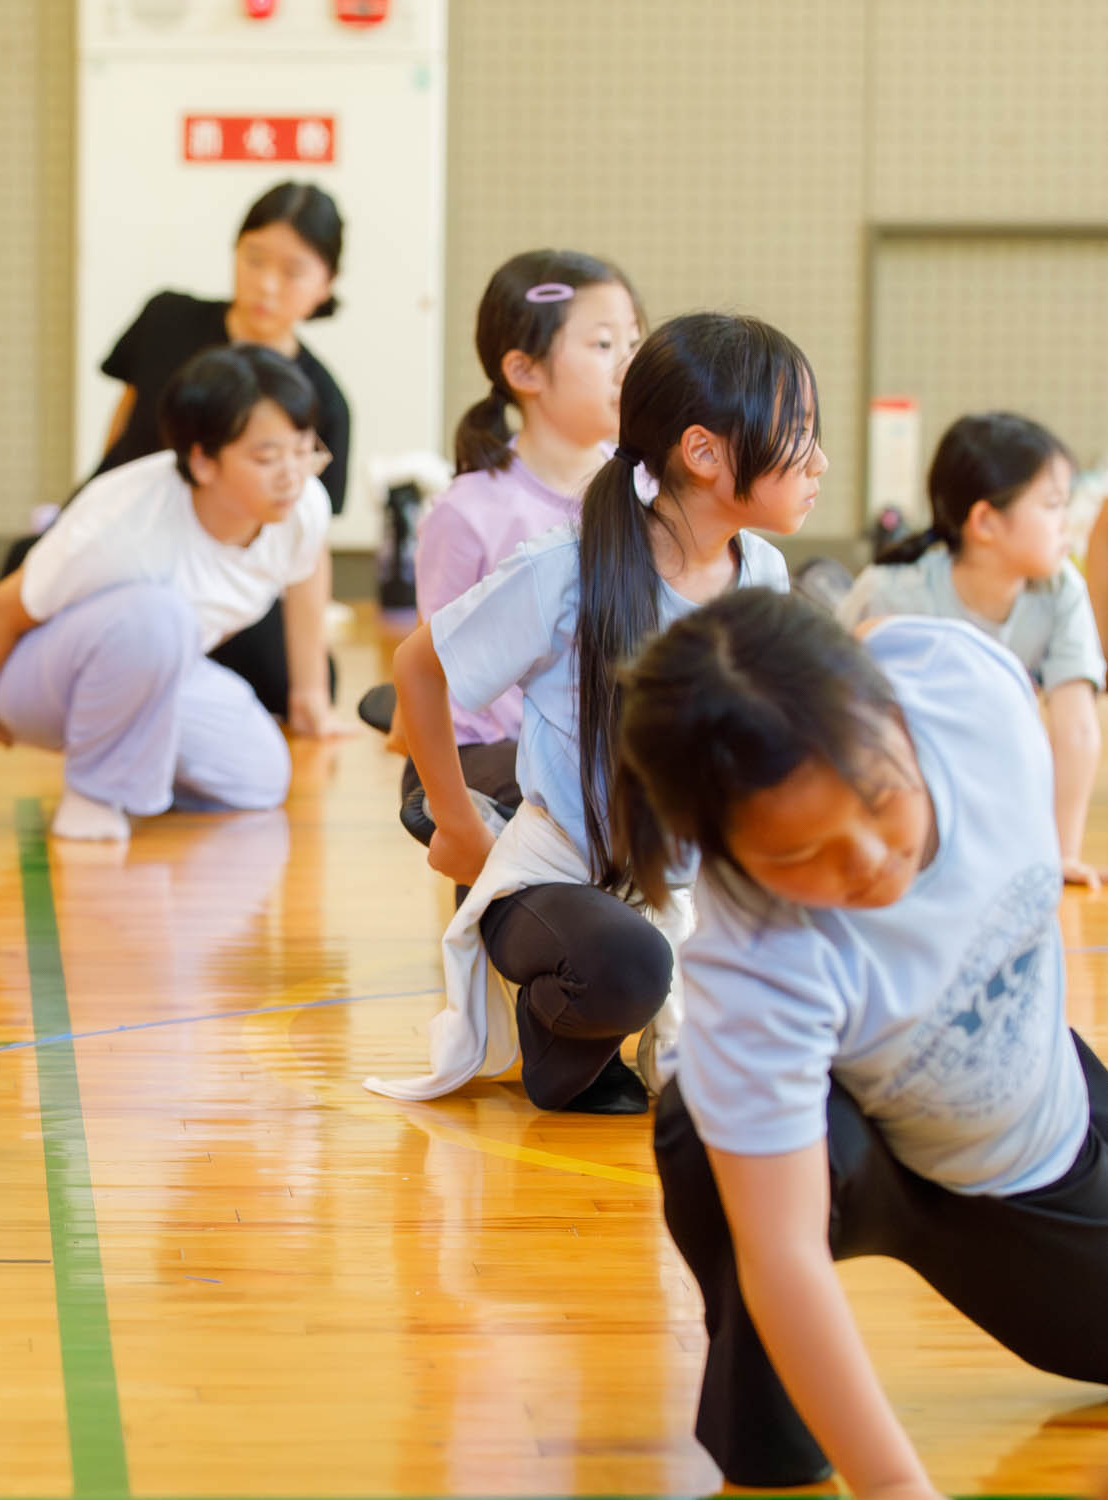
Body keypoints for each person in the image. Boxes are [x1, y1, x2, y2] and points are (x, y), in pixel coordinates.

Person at [617, 588, 1108, 1494]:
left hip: (1045, 1131)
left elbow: (878, 633)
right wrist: (893, 1486)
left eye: (881, 800)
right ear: (719, 853)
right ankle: (773, 1437)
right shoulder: (759, 959)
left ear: (890, 708)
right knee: (706, 1133)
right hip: (893, 1155)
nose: (871, 863)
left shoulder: (966, 685)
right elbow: (784, 1254)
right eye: (798, 857)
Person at [372, 313, 823, 1113]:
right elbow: (417, 665)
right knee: (627, 963)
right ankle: (561, 1026)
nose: (818, 461)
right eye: (799, 435)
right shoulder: (568, 568)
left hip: (676, 876)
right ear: (703, 452)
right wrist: (458, 825)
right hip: (558, 870)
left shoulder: (763, 573)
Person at [0, 345, 342, 844]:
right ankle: (94, 794)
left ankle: (134, 778)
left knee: (259, 778)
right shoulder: (126, 522)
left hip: (161, 665)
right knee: (159, 617)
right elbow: (3, 611)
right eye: (267, 456)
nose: (292, 474)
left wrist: (310, 695)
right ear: (202, 461)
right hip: (43, 680)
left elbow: (307, 567)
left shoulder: (303, 504)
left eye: (304, 449)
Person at [9, 182, 350, 720]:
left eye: (292, 271)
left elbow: (309, 539)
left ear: (326, 283)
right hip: (129, 539)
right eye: (254, 258)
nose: (266, 283)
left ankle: (165, 672)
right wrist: (93, 499)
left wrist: (310, 695)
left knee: (298, 674)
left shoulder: (323, 398)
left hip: (215, 573)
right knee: (27, 571)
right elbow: (126, 420)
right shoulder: (167, 317)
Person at [386, 249, 645, 841]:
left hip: (599, 747)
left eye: (634, 341)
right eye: (604, 344)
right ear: (526, 372)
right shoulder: (469, 510)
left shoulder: (643, 487)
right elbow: (432, 670)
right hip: (489, 750)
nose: (629, 364)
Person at [841, 412, 1103, 887]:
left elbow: (1077, 729)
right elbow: (831, 711)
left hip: (991, 814)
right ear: (985, 522)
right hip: (894, 815)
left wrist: (1060, 855)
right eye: (1052, 506)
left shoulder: (1061, 591)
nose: (1068, 525)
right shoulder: (890, 594)